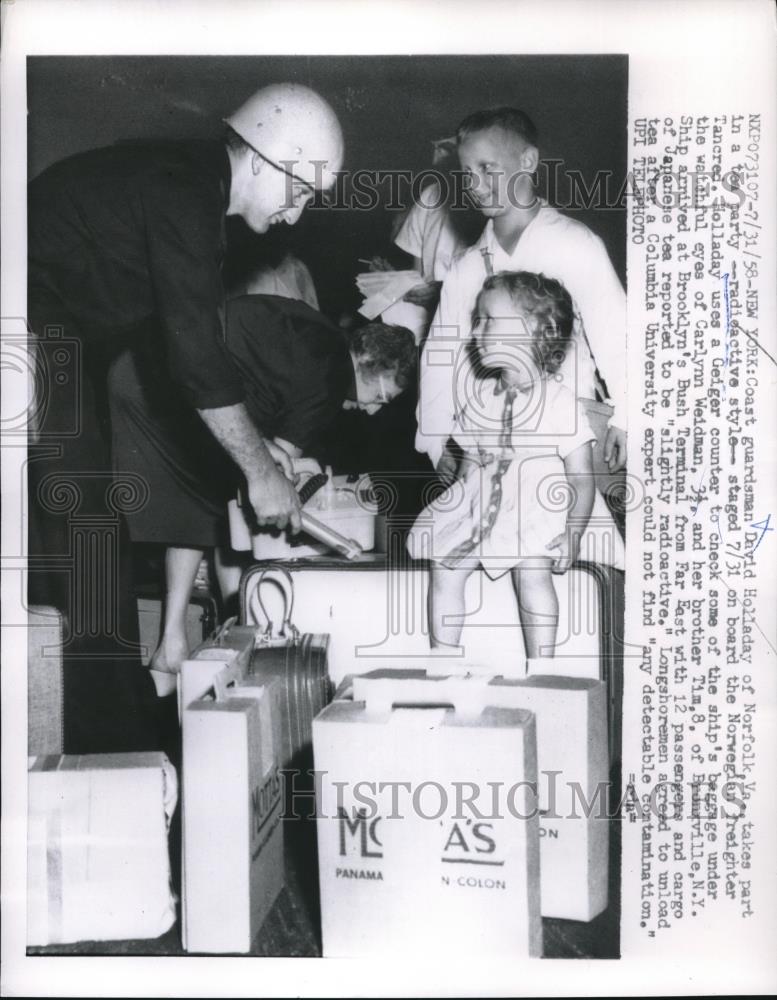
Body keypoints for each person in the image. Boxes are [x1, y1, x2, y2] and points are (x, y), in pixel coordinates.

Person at [27, 83, 344, 751]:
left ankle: (112, 739)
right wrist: (259, 470)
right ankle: (106, 747)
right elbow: (195, 356)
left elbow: (174, 351)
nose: (297, 213)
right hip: (30, 329)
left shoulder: (187, 189)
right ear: (260, 157)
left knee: (94, 531)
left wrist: (254, 447)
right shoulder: (183, 193)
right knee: (87, 526)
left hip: (62, 341)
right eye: (300, 189)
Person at [109, 295, 417, 674]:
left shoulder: (318, 333)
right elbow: (268, 486)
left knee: (200, 499)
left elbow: (266, 440)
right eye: (382, 397)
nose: (373, 409)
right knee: (207, 499)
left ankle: (177, 643)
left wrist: (287, 466)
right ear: (373, 366)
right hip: (162, 388)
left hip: (140, 363)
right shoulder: (330, 382)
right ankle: (199, 637)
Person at [415, 107, 627, 494]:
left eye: (487, 168)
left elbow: (617, 335)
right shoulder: (466, 268)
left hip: (568, 438)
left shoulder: (575, 245)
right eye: (467, 172)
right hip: (488, 442)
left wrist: (629, 416)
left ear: (527, 161)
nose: (475, 184)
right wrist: (436, 437)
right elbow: (440, 355)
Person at [408, 271, 596, 658]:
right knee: (444, 565)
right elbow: (469, 464)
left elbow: (580, 477)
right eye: (476, 320)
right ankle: (443, 659)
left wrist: (574, 531)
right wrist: (456, 507)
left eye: (488, 319)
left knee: (532, 568)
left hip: (533, 507)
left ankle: (543, 666)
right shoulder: (480, 397)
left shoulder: (560, 402)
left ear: (533, 329)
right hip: (483, 504)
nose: (476, 331)